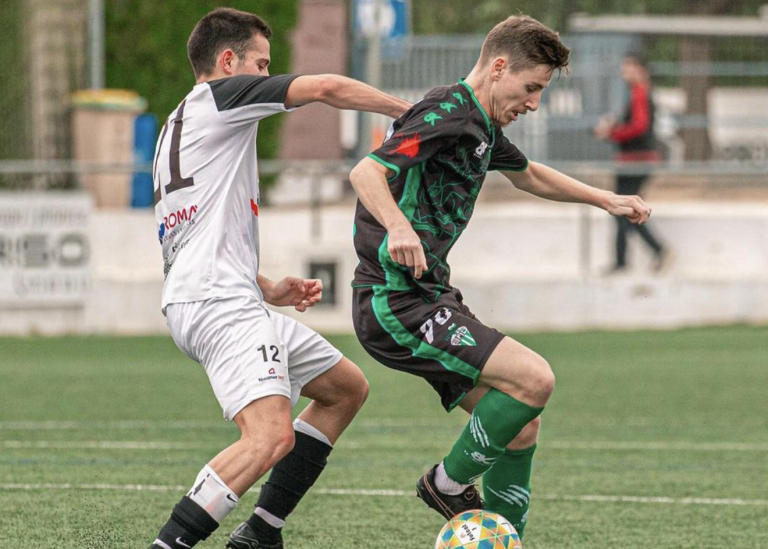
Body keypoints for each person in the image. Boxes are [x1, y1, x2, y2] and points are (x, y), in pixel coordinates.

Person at [348, 15, 651, 539]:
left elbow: (530, 174)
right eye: (530, 88)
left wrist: (604, 198)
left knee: (520, 424)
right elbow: (366, 171)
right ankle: (446, 483)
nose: (533, 103)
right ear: (499, 67)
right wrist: (397, 226)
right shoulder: (450, 109)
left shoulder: (483, 127)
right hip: (394, 299)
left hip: (430, 294)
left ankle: (505, 537)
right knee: (535, 379)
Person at [147, 8, 409, 549]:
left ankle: (262, 531)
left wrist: (264, 286)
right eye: (261, 65)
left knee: (344, 389)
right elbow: (328, 86)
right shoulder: (221, 98)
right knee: (269, 436)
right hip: (219, 304)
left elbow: (193, 232)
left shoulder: (179, 123)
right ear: (228, 61)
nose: (267, 76)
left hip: (215, 296)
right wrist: (408, 112)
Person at [595, 54, 670, 274]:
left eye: (630, 66)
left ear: (642, 70)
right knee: (624, 210)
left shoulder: (639, 93)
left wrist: (613, 132)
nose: (625, 71)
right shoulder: (640, 93)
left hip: (635, 161)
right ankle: (643, 255)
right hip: (637, 160)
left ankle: (635, 258)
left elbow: (639, 127)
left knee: (622, 210)